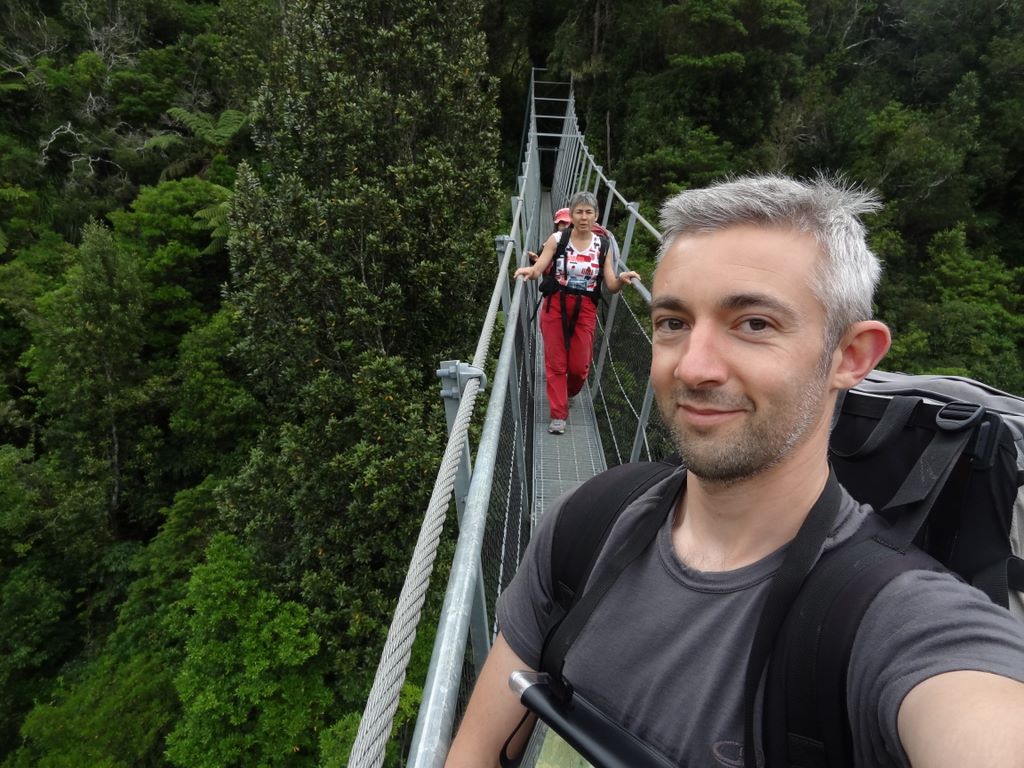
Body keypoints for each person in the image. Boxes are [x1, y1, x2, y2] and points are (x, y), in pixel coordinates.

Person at [446, 174, 1024, 767]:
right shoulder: (588, 524)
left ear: (850, 356)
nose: (693, 368)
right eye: (673, 322)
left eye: (754, 324)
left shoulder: (896, 623)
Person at [515, 191, 640, 435]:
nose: (584, 217)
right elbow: (540, 267)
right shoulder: (557, 239)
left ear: (596, 215)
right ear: (571, 215)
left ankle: (568, 392)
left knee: (579, 367)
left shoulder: (603, 245)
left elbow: (610, 285)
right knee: (556, 363)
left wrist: (622, 279)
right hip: (555, 304)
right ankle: (558, 415)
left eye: (588, 212)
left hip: (585, 308)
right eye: (579, 212)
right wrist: (531, 271)